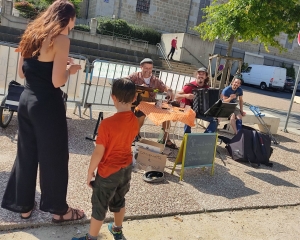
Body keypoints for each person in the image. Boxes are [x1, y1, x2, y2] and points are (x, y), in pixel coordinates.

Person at [1, 0, 85, 223]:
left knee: (26, 154)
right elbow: (57, 81)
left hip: (25, 101)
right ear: (69, 18)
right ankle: (60, 211)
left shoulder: (31, 34)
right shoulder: (61, 39)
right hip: (47, 104)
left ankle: (24, 207)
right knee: (54, 157)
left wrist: (56, 64)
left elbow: (22, 72)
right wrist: (70, 70)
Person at [72, 78, 139, 240]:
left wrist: (90, 172)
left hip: (109, 171)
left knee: (99, 205)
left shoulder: (107, 124)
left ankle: (91, 238)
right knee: (119, 200)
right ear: (135, 97)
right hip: (126, 169)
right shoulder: (135, 121)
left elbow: (98, 152)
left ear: (112, 97)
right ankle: (117, 229)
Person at [128, 58, 177, 149]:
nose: (148, 70)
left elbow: (163, 86)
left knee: (167, 114)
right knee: (140, 113)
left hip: (150, 103)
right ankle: (135, 134)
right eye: (146, 68)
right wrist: (136, 87)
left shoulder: (155, 80)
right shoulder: (135, 76)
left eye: (150, 68)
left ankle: (165, 138)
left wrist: (169, 90)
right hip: (136, 103)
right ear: (141, 67)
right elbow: (124, 82)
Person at [175, 67, 216, 134]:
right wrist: (186, 96)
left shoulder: (207, 88)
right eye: (199, 74)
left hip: (201, 112)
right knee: (189, 115)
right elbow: (176, 96)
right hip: (189, 110)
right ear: (196, 75)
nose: (201, 76)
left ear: (205, 77)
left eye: (203, 74)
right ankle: (187, 136)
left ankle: (204, 137)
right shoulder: (190, 86)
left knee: (214, 120)